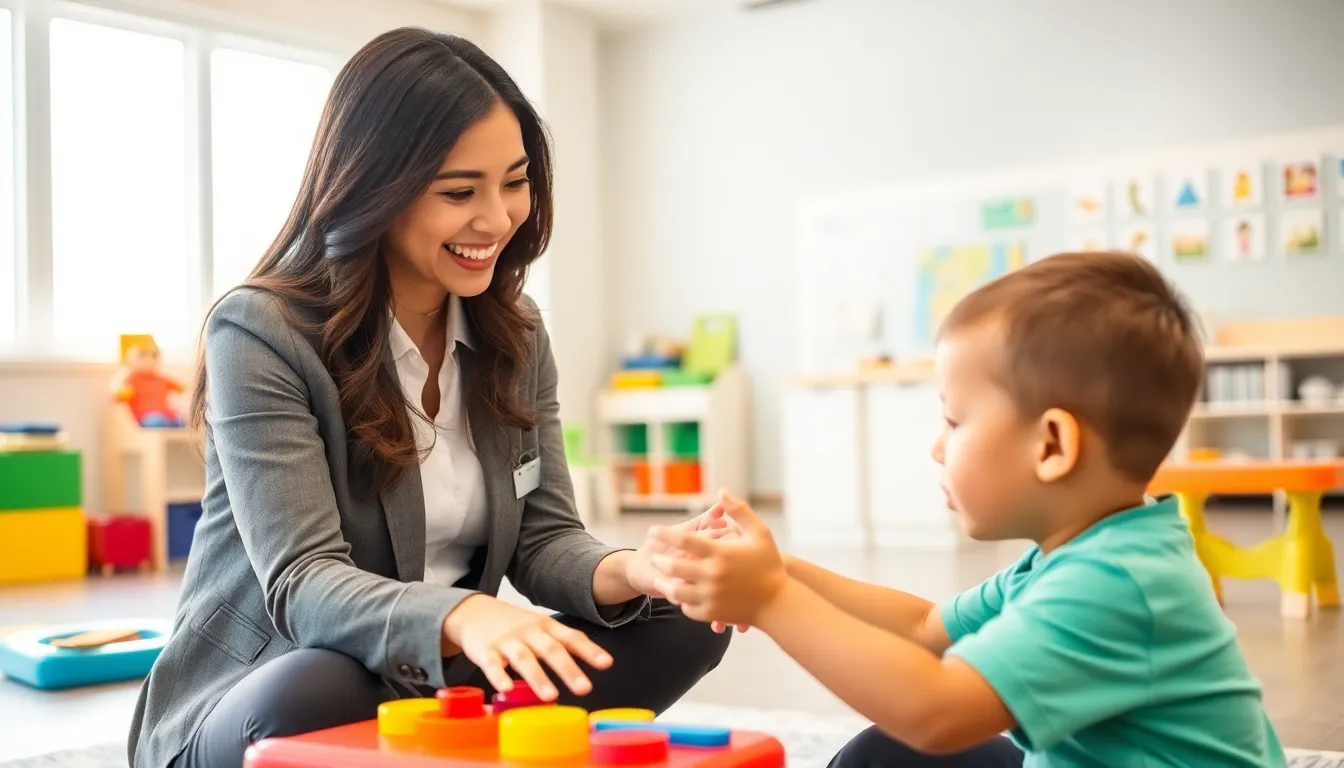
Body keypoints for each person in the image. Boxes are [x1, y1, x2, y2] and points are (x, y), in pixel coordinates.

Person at [127, 28, 730, 768]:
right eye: (458, 192)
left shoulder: (517, 332)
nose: (498, 218)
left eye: (514, 182)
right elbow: (303, 582)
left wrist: (637, 570)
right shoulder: (260, 330)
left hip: (436, 691)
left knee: (685, 619)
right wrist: (468, 614)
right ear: (373, 184)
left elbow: (544, 541)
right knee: (321, 688)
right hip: (269, 685)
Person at [650, 252, 1287, 767]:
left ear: (1052, 445)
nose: (937, 446)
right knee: (881, 754)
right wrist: (779, 571)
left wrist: (769, 601)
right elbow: (927, 628)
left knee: (917, 735)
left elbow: (938, 712)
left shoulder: (1116, 583)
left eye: (955, 421)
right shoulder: (1081, 551)